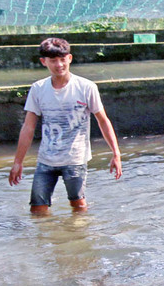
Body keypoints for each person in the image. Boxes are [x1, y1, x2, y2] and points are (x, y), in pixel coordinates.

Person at [8, 37, 122, 214]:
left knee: (78, 205)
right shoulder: (38, 89)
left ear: (69, 58)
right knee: (37, 209)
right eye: (53, 61)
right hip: (46, 159)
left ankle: (80, 236)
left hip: (75, 159)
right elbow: (28, 127)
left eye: (62, 59)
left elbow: (103, 120)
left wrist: (116, 154)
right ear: (43, 62)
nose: (59, 65)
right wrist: (18, 162)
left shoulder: (86, 87)